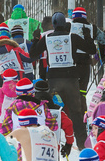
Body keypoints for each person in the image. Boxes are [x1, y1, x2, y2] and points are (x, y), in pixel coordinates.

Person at [29, 11, 96, 148]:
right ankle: (82, 144)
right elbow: (92, 49)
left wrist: (35, 39)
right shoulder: (73, 37)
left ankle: (51, 142)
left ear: (53, 25)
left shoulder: (47, 39)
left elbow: (33, 54)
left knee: (54, 110)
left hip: (54, 81)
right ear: (65, 25)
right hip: (71, 80)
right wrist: (88, 36)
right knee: (76, 112)